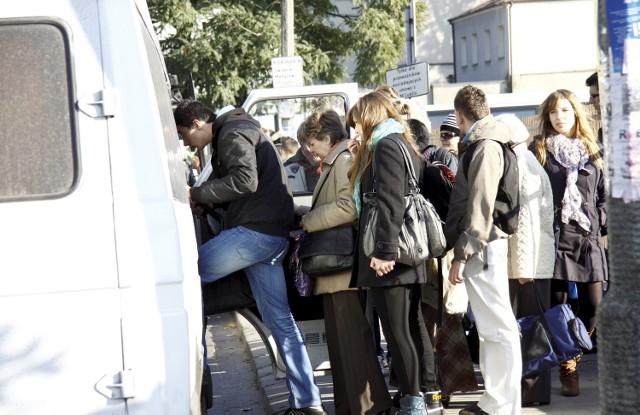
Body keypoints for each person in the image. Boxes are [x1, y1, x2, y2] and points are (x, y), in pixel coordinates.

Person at [173, 99, 327, 415]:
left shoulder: (232, 132)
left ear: (197, 124)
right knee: (281, 323)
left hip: (255, 236)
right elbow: (251, 189)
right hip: (272, 237)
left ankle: (186, 384)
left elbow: (245, 181)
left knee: (183, 275)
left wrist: (197, 194)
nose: (185, 143)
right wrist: (213, 203)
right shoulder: (243, 128)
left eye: (184, 134)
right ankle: (309, 403)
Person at [347, 91, 439, 415]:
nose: (354, 129)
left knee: (398, 332)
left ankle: (413, 402)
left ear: (369, 116)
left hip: (392, 255)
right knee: (410, 327)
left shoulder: (385, 147)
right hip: (405, 254)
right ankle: (425, 397)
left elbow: (389, 202)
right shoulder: (400, 142)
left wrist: (384, 252)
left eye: (356, 121)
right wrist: (358, 156)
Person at [299, 109, 392, 415]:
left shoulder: (342, 160)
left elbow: (347, 208)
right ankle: (352, 407)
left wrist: (309, 220)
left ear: (328, 137)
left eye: (312, 144)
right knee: (342, 346)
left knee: (351, 343)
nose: (309, 151)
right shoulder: (335, 160)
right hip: (335, 270)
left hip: (342, 268)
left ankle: (367, 407)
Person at [444, 85, 522, 415]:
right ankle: (497, 401)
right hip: (485, 244)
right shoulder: (489, 141)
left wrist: (461, 254)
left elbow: (480, 204)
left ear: (461, 115)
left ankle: (503, 405)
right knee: (493, 328)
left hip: (483, 245)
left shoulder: (486, 145)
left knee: (498, 327)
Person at [529, 89, 608, 398]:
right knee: (559, 309)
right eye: (552, 112)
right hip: (558, 239)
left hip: (588, 239)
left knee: (594, 309)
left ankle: (575, 350)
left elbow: (603, 195)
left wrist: (598, 218)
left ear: (575, 113)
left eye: (564, 110)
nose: (558, 117)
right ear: (547, 118)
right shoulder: (540, 151)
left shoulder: (593, 150)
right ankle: (568, 368)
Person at [496, 114, 555, 406]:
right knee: (533, 330)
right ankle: (532, 392)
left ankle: (530, 393)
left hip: (527, 265)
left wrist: (522, 269)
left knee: (530, 331)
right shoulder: (526, 160)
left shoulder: (520, 164)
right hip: (533, 263)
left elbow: (526, 222)